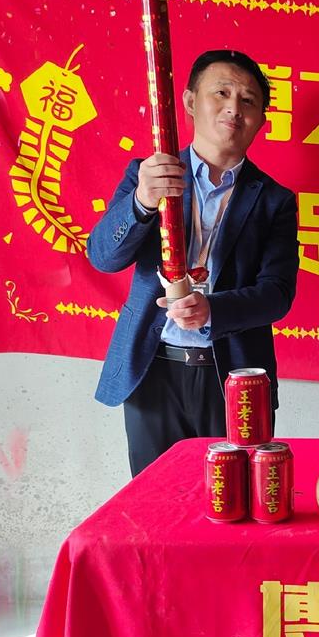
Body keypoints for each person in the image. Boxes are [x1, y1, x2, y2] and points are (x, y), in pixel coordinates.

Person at [89, 49, 299, 476]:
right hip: (152, 369)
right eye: (221, 93)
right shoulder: (148, 175)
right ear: (189, 101)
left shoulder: (274, 200)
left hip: (234, 378)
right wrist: (142, 202)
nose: (234, 108)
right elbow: (104, 256)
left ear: (261, 120)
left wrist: (212, 311)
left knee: (234, 498)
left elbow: (277, 294)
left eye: (248, 100)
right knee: (154, 498)